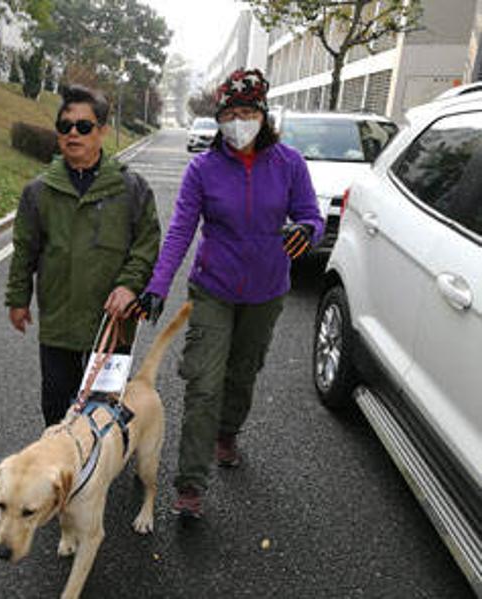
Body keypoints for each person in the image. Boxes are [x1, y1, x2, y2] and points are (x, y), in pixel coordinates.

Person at [131, 68, 324, 518]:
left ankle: (227, 432)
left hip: (267, 289)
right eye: (230, 113)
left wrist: (307, 232)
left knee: (243, 373)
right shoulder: (204, 168)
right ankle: (191, 485)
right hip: (214, 287)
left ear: (263, 115)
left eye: (248, 111)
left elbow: (312, 217)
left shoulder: (289, 164)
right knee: (203, 382)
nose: (239, 121)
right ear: (219, 118)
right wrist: (157, 286)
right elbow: (180, 231)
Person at [6, 84, 161, 427]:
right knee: (56, 407)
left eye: (84, 126)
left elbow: (147, 245)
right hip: (58, 321)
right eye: (65, 126)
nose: (73, 133)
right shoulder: (39, 191)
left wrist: (130, 286)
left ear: (103, 131)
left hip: (111, 322)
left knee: (102, 412)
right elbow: (25, 250)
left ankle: (98, 475)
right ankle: (62, 473)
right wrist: (18, 299)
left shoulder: (131, 189)